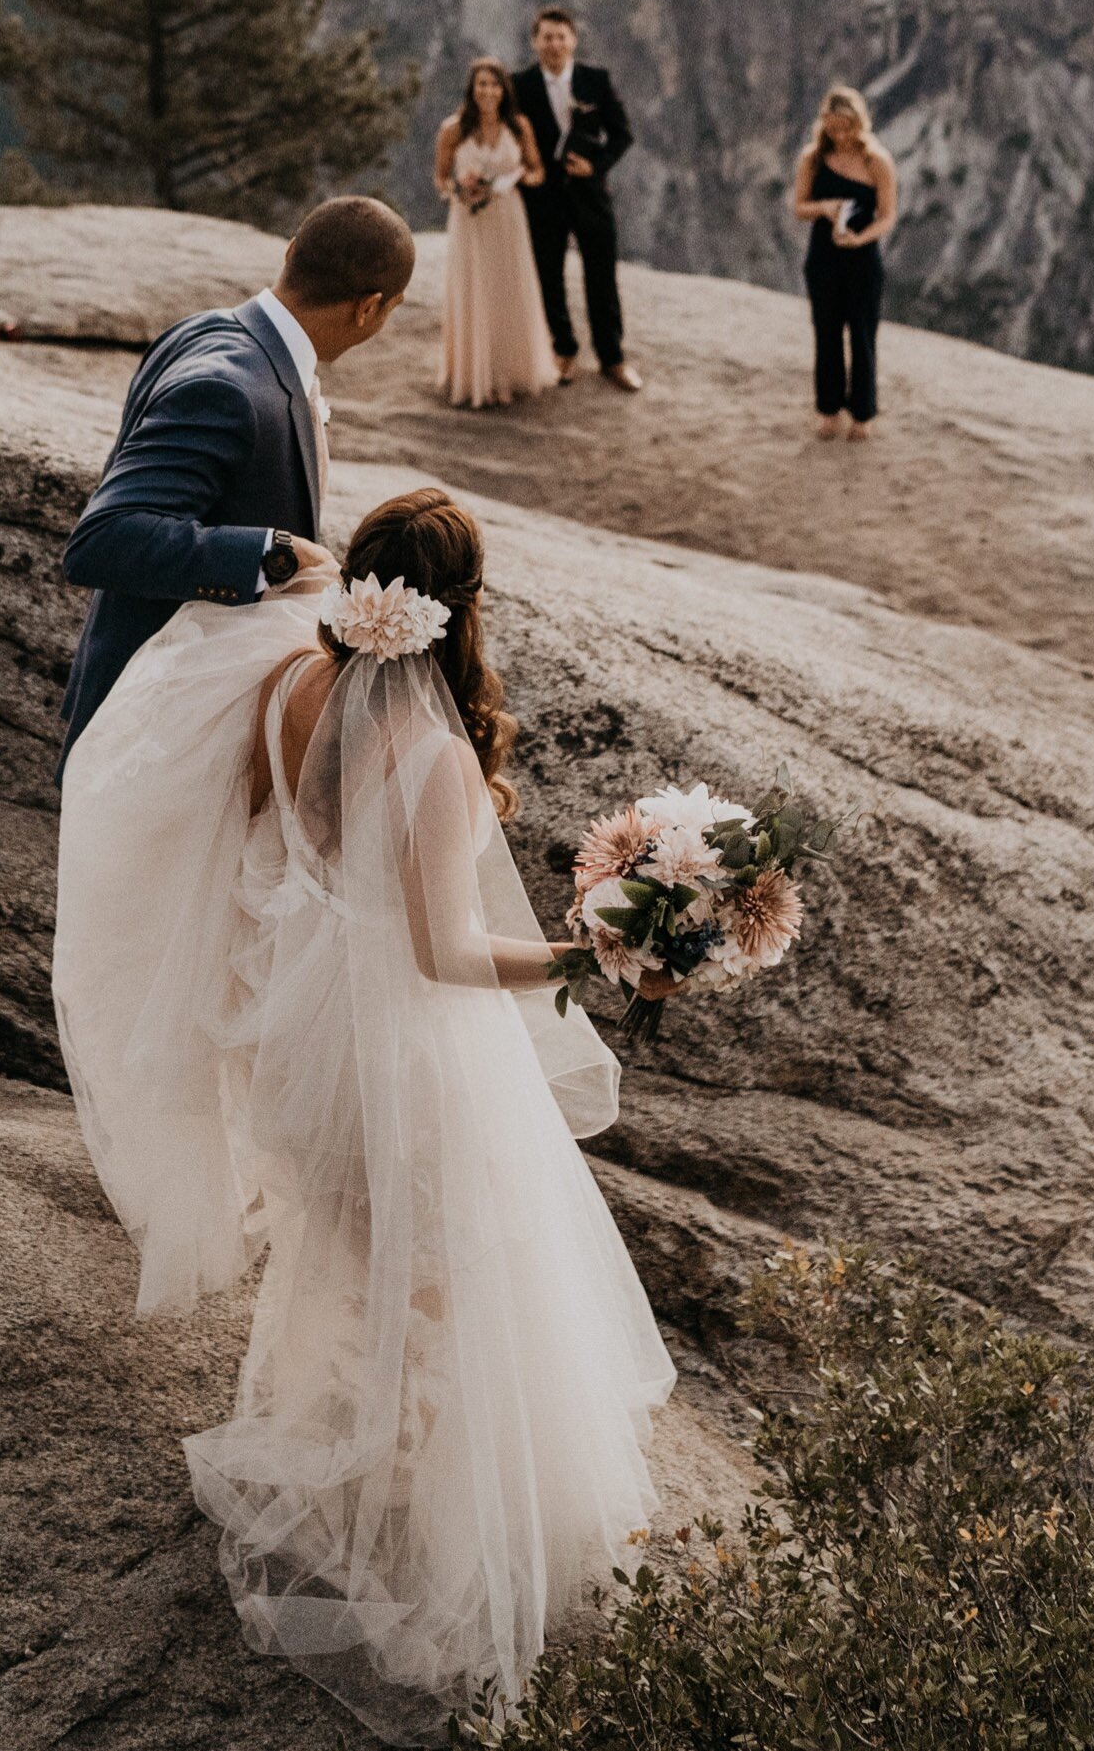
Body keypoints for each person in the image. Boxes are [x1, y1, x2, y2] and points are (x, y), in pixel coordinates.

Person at [54, 483, 673, 1742]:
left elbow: (267, 843)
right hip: (398, 1048)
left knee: (346, 1251)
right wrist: (578, 957)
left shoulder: (288, 685)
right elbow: (444, 952)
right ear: (461, 607)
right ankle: (437, 1535)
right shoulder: (435, 752)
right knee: (447, 1281)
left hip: (295, 1031)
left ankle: (363, 1470)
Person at [55, 195, 415, 773]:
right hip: (155, 740)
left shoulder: (198, 330)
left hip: (191, 724)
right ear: (369, 308)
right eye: (391, 310)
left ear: (292, 253)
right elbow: (104, 539)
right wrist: (271, 555)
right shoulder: (232, 389)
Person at [512, 6, 642, 391]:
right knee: (548, 276)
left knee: (602, 277)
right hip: (543, 198)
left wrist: (596, 166)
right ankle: (564, 350)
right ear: (535, 42)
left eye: (560, 36)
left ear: (573, 40)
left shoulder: (595, 80)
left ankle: (612, 358)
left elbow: (622, 134)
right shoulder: (520, 85)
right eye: (546, 37)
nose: (554, 44)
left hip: (591, 196)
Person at [432, 56, 556, 408]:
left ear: (504, 90)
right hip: (469, 220)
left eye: (494, 84)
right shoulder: (453, 130)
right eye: (481, 84)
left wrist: (511, 180)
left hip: (507, 216)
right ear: (472, 89)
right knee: (474, 290)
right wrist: (459, 188)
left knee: (507, 291)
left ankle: (508, 372)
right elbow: (440, 178)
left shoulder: (518, 126)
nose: (488, 91)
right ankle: (472, 375)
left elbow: (537, 171)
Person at [791, 83, 898, 440]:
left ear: (859, 124)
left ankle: (863, 414)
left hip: (863, 260)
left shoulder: (877, 161)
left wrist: (861, 238)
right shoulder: (813, 158)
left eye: (846, 128)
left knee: (863, 338)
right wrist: (823, 208)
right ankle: (829, 408)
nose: (840, 135)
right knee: (826, 333)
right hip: (823, 258)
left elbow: (887, 215)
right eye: (833, 128)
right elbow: (799, 207)